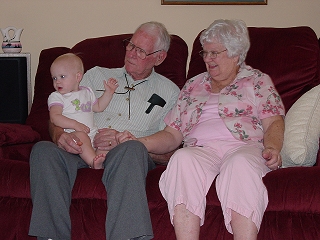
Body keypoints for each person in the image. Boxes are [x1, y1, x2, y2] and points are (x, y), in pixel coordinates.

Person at [117, 19, 285, 240]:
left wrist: (272, 147)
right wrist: (139, 141)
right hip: (202, 149)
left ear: (236, 54)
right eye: (205, 53)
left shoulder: (257, 82)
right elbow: (172, 134)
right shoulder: (194, 85)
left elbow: (273, 121)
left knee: (240, 165)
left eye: (214, 53)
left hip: (243, 147)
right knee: (182, 159)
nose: (208, 59)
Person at [28, 21, 180, 240]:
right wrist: (59, 134)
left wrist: (131, 141)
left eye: (141, 50)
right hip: (81, 145)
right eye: (130, 45)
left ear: (160, 57)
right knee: (43, 150)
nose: (131, 53)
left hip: (127, 154)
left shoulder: (171, 93)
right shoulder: (94, 75)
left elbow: (172, 148)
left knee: (131, 150)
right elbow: (57, 114)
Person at [48, 53, 118, 169]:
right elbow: (54, 117)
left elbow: (99, 107)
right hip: (73, 137)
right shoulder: (57, 97)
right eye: (54, 78)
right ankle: (92, 162)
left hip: (92, 135)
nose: (57, 82)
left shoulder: (87, 92)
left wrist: (108, 93)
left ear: (78, 77)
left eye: (62, 77)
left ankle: (98, 159)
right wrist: (75, 125)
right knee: (81, 136)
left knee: (104, 140)